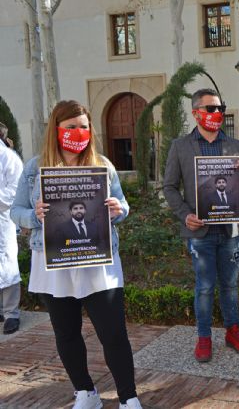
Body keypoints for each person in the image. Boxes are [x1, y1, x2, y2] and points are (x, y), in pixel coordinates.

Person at [10, 100, 142, 408]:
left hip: (98, 261)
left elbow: (123, 205)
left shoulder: (102, 165)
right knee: (66, 333)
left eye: (84, 126)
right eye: (72, 127)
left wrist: (117, 209)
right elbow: (16, 211)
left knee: (113, 333)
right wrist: (35, 216)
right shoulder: (34, 168)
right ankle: (85, 392)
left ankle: (128, 397)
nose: (79, 132)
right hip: (55, 262)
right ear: (57, 129)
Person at [164, 88, 239, 363]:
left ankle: (233, 331)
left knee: (230, 285)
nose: (217, 113)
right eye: (211, 109)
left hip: (230, 230)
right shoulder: (180, 146)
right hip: (199, 230)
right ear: (196, 113)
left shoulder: (235, 145)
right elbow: (168, 187)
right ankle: (204, 337)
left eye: (220, 107)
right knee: (204, 287)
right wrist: (184, 215)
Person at [0, 126, 23, 335]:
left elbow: (15, 189)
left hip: (2, 218)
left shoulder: (8, 157)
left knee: (7, 264)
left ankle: (11, 314)